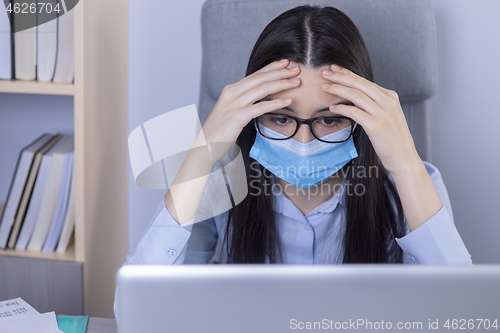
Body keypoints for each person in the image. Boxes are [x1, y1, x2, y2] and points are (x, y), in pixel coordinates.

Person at [115, 4, 473, 315]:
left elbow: (462, 314)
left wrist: (405, 161)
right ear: (252, 117)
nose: (303, 141)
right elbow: (136, 308)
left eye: (329, 120)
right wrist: (202, 152)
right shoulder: (219, 185)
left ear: (360, 120)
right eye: (281, 118)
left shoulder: (411, 186)